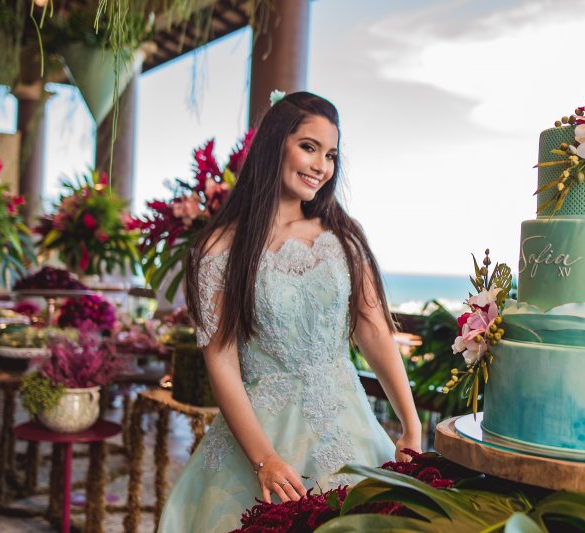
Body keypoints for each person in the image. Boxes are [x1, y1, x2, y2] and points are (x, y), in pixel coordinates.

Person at [157, 92, 422, 532]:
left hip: (347, 430)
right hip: (258, 436)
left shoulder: (343, 238)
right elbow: (220, 359)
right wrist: (264, 459)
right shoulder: (218, 248)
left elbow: (374, 331)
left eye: (331, 154)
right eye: (309, 147)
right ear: (275, 144)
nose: (322, 165)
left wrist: (411, 426)